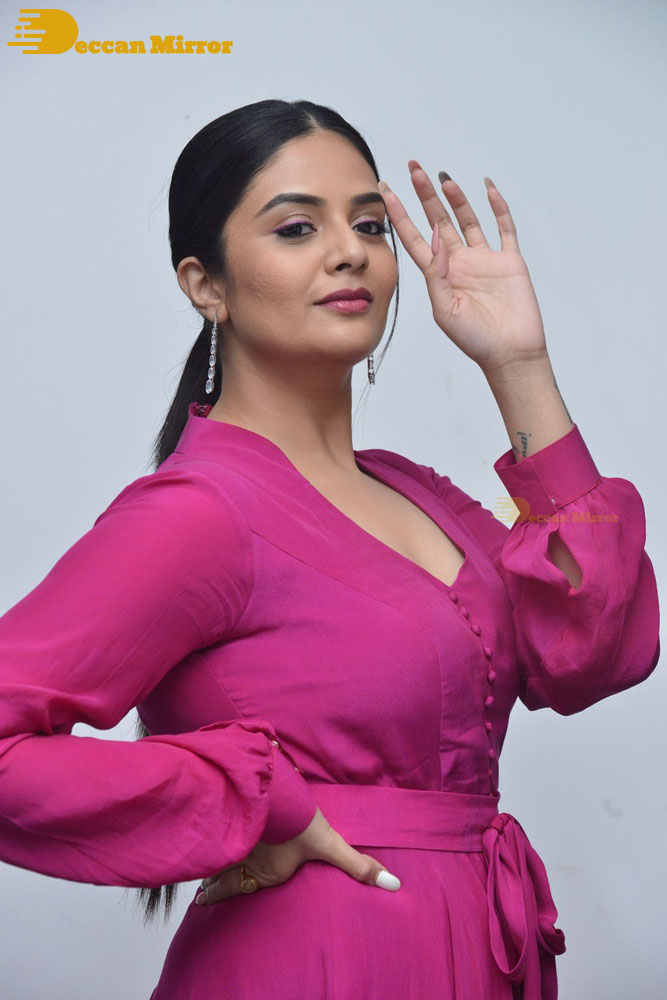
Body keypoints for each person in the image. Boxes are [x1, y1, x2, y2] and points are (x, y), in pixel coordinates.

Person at [0, 98, 660, 1000]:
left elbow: (593, 653)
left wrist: (518, 367)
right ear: (205, 284)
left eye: (369, 224)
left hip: (474, 952)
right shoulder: (199, 513)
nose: (348, 251)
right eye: (296, 227)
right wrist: (248, 802)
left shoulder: (419, 494)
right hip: (313, 962)